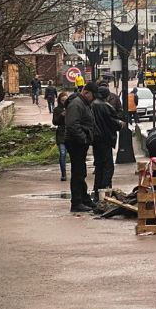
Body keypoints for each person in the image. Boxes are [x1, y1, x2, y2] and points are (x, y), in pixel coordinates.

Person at [63, 85, 98, 213]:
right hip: (75, 142)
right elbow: (72, 125)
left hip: (78, 142)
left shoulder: (82, 103)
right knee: (78, 172)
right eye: (93, 96)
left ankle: (84, 199)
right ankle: (77, 202)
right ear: (86, 93)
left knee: (81, 171)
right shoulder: (77, 104)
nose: (93, 100)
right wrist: (83, 138)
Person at [89, 83, 125, 197]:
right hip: (105, 138)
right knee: (108, 166)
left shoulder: (92, 104)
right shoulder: (105, 106)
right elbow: (112, 121)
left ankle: (98, 191)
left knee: (99, 166)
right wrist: (120, 124)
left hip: (96, 139)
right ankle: (104, 190)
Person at [52, 92, 69, 181]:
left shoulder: (71, 108)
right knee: (62, 153)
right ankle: (63, 173)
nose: (64, 102)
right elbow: (54, 122)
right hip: (61, 133)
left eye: (65, 100)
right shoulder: (57, 109)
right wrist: (61, 115)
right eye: (62, 100)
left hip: (70, 133)